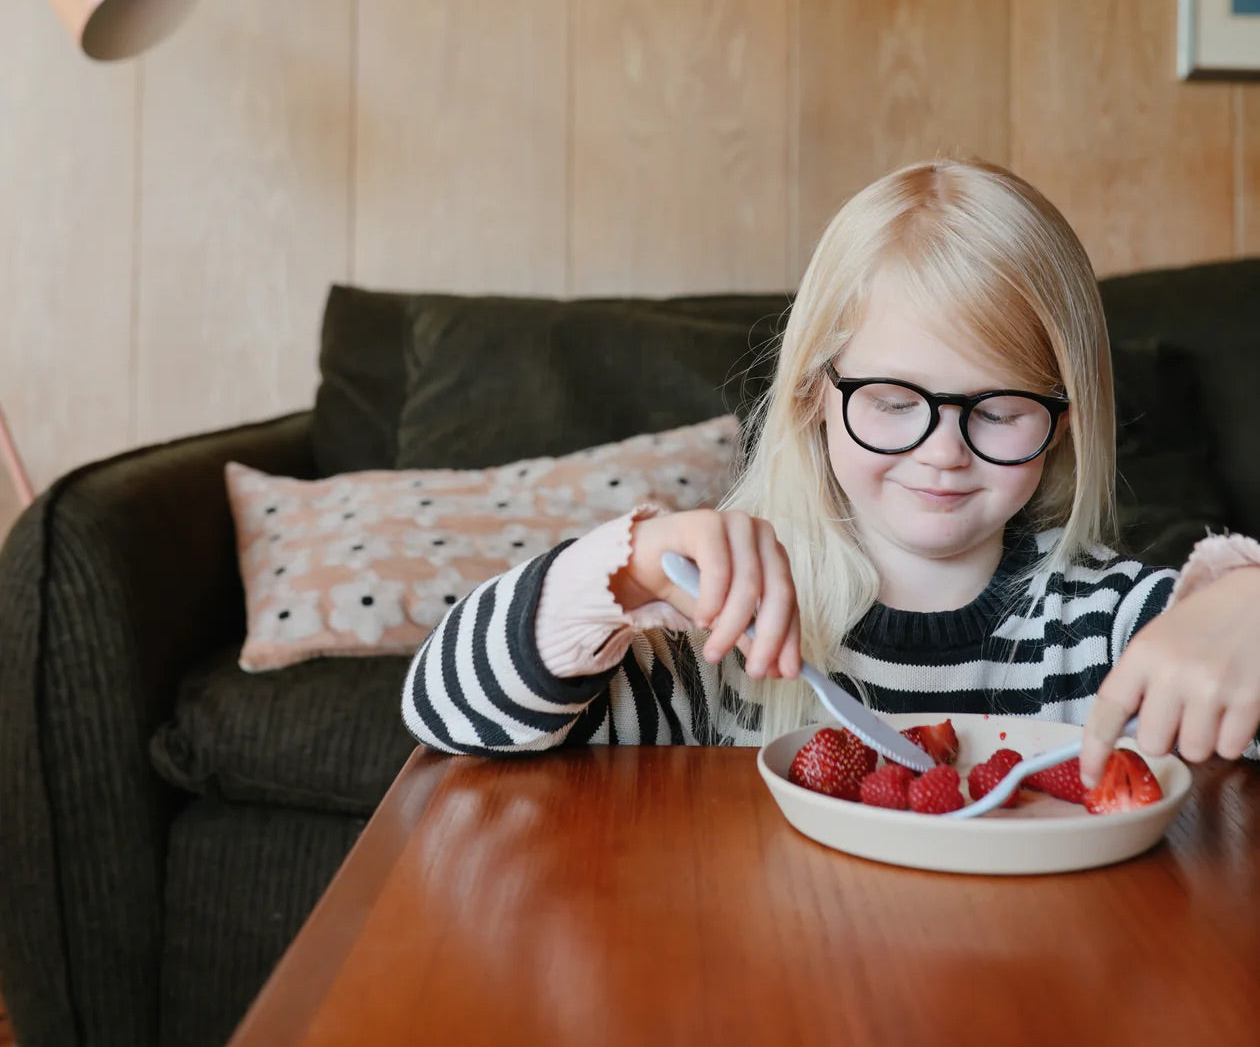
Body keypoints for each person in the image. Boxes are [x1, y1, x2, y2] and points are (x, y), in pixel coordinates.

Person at [402, 157, 1260, 783]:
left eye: (997, 410)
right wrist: (621, 570)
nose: (943, 450)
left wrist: (1246, 606)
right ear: (814, 395)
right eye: (893, 401)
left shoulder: (1108, 633)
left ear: (1063, 423)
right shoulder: (723, 641)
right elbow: (446, 714)